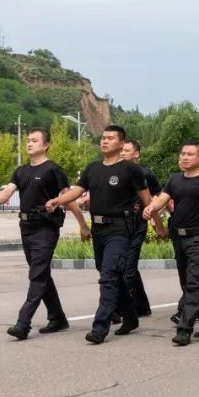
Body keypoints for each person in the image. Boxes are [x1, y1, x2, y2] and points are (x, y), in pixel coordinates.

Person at [47, 125, 152, 344]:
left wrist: (154, 222)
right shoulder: (93, 168)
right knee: (112, 275)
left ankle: (100, 327)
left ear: (121, 143)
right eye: (103, 138)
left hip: (121, 229)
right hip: (99, 229)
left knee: (108, 277)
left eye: (110, 138)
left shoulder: (130, 169)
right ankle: (131, 317)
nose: (105, 141)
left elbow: (146, 199)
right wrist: (59, 200)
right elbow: (78, 190)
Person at [0, 128, 88, 340]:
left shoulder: (54, 170)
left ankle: (23, 323)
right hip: (26, 228)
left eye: (34, 140)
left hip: (46, 228)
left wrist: (83, 225)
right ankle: (58, 317)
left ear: (46, 145)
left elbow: (68, 198)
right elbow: (8, 191)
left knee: (37, 274)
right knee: (41, 274)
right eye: (28, 140)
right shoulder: (21, 171)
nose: (29, 144)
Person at [143, 141, 199, 345]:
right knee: (189, 283)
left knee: (194, 282)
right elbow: (162, 198)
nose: (184, 157)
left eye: (190, 154)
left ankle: (185, 329)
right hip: (179, 237)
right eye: (182, 154)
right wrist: (151, 208)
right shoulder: (175, 180)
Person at [120, 139, 164, 318]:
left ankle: (123, 309)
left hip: (137, 225)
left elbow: (159, 197)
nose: (122, 153)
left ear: (136, 154)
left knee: (128, 268)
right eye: (121, 150)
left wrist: (156, 220)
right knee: (125, 267)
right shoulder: (115, 173)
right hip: (118, 226)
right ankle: (142, 306)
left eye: (127, 150)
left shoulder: (145, 174)